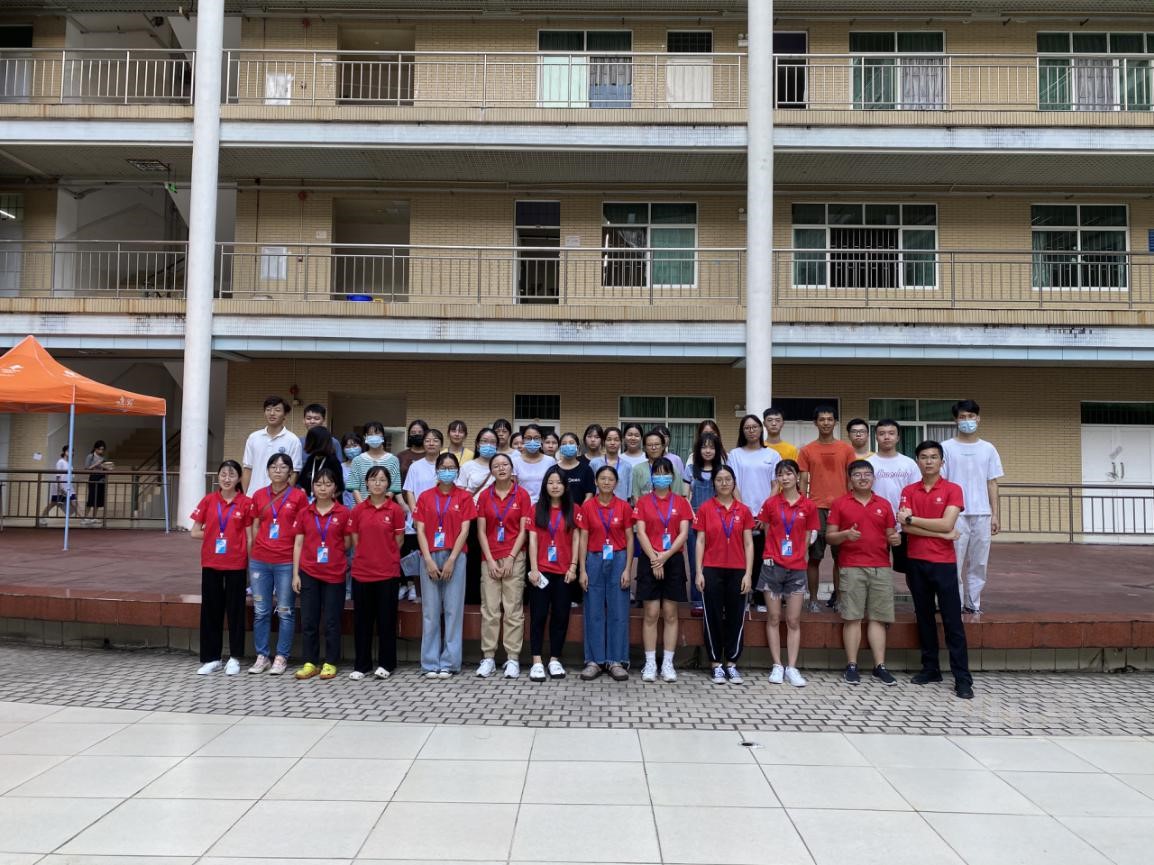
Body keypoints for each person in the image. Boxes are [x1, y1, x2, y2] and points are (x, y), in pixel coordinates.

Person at [897, 441, 973, 700]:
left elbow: (947, 523)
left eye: (933, 457)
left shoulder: (953, 489)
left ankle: (962, 678)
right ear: (917, 461)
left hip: (943, 563)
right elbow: (906, 528)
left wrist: (913, 519)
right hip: (916, 561)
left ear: (942, 461)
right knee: (924, 618)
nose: (928, 461)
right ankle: (931, 669)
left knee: (953, 621)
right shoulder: (909, 490)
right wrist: (941, 532)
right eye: (923, 457)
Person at [826, 460, 901, 686]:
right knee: (852, 617)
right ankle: (851, 665)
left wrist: (895, 539)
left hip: (881, 567)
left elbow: (891, 535)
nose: (863, 478)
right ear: (850, 479)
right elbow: (829, 537)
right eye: (857, 474)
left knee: (878, 617)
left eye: (867, 474)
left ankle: (880, 666)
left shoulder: (884, 504)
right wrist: (845, 535)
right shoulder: (840, 504)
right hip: (851, 567)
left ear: (873, 478)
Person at [757, 459, 819, 687]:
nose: (785, 478)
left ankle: (792, 667)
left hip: (797, 568)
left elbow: (808, 535)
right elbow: (766, 530)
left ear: (797, 476)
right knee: (773, 617)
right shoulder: (771, 503)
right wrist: (772, 554)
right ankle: (777, 665)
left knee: (793, 620)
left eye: (789, 473)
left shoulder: (808, 505)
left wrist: (802, 556)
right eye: (781, 474)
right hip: (772, 566)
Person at [414, 453, 477, 678]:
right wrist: (428, 559)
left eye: (451, 468)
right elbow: (420, 530)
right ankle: (430, 662)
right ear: (437, 471)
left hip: (456, 556)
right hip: (429, 556)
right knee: (430, 612)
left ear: (457, 471)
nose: (447, 471)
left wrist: (452, 560)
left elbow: (465, 530)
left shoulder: (464, 497)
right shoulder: (425, 497)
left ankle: (449, 662)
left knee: (453, 610)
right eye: (443, 467)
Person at [247, 452, 308, 676]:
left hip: (285, 561)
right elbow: (255, 525)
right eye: (273, 466)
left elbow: (302, 531)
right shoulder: (258, 495)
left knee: (285, 611)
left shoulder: (298, 496)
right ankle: (262, 656)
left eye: (283, 467)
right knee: (261, 611)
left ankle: (282, 657)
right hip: (260, 561)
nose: (278, 470)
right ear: (268, 470)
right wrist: (255, 551)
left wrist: (296, 566)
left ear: (290, 472)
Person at [633, 457, 693, 683]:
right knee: (650, 613)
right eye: (657, 473)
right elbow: (640, 532)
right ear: (651, 477)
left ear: (672, 476)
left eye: (665, 473)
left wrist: (665, 556)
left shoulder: (681, 502)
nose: (661, 477)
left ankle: (668, 663)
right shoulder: (643, 502)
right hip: (649, 559)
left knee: (670, 613)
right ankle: (650, 662)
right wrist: (654, 558)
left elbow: (683, 533)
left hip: (673, 560)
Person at [190, 460, 253, 676]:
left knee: (235, 611)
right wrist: (214, 534)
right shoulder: (208, 500)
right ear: (218, 477)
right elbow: (194, 531)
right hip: (211, 562)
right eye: (223, 474)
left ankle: (235, 657)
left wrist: (250, 561)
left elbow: (249, 536)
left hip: (236, 563)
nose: (227, 479)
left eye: (231, 475)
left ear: (239, 479)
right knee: (211, 611)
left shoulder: (246, 503)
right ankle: (212, 658)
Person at [942, 399, 1004, 614]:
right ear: (955, 420)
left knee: (979, 562)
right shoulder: (946, 448)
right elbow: (942, 483)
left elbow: (992, 482)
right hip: (955, 514)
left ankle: (973, 603)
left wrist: (995, 514)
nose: (967, 420)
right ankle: (955, 603)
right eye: (962, 417)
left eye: (971, 416)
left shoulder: (988, 448)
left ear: (978, 418)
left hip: (982, 513)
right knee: (954, 561)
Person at [693, 465, 754, 685]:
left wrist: (748, 574)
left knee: (736, 617)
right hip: (711, 568)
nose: (724, 483)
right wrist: (698, 571)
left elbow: (749, 543)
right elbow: (700, 541)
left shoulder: (743, 510)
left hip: (738, 570)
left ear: (734, 482)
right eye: (719, 480)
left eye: (728, 479)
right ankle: (716, 663)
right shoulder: (705, 508)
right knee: (713, 617)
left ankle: (732, 663)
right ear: (714, 484)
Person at [291, 468, 352, 681]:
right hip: (309, 572)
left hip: (334, 574)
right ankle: (310, 662)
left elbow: (347, 543)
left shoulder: (343, 513)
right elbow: (298, 544)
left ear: (335, 487)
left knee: (332, 620)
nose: (323, 488)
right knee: (309, 619)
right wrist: (296, 574)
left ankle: (331, 662)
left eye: (327, 484)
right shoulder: (304, 513)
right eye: (318, 484)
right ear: (312, 487)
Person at [576, 464, 635, 681]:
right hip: (594, 559)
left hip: (618, 559)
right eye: (603, 478)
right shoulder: (587, 507)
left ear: (616, 483)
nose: (607, 482)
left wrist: (628, 569)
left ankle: (616, 660)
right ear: (596, 482)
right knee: (594, 610)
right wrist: (582, 569)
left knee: (618, 611)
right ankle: (594, 660)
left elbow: (630, 539)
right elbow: (583, 539)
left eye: (611, 479)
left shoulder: (624, 507)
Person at [475, 453, 531, 679]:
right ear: (491, 471)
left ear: (511, 468)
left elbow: (524, 530)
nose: (501, 468)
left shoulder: (522, 494)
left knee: (512, 610)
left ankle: (512, 658)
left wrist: (511, 557)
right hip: (489, 557)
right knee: (490, 609)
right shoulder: (484, 496)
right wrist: (489, 559)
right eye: (496, 465)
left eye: (505, 465)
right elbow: (481, 531)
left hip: (514, 557)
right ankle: (488, 657)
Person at [349, 466, 406, 681]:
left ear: (388, 484)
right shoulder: (358, 510)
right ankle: (362, 665)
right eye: (373, 479)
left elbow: (399, 541)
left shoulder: (395, 510)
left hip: (387, 573)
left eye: (382, 480)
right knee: (362, 621)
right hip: (362, 573)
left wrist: (384, 555)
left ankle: (386, 663)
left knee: (386, 621)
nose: (377, 483)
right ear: (366, 483)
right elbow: (355, 540)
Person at [798, 405, 855, 612]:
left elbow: (852, 479)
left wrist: (851, 504)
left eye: (830, 419)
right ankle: (813, 600)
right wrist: (803, 506)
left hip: (842, 509)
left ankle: (839, 599)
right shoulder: (807, 450)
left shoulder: (846, 449)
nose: (826, 423)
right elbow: (803, 481)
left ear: (835, 422)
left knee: (841, 558)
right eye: (822, 419)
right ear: (815, 423)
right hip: (816, 509)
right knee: (814, 557)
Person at [347, 421, 411, 601]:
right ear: (365, 437)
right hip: (361, 512)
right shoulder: (358, 460)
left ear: (383, 436)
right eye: (370, 433)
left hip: (386, 510)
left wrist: (381, 504)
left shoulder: (392, 459)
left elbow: (394, 486)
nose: (374, 437)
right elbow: (354, 486)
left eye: (377, 433)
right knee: (360, 551)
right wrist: (365, 507)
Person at [526, 466, 579, 681]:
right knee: (538, 616)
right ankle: (537, 661)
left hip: (564, 572)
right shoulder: (536, 508)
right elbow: (532, 540)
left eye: (559, 482)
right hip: (541, 572)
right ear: (545, 485)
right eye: (550, 482)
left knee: (560, 616)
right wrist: (533, 569)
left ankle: (555, 659)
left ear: (565, 486)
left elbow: (576, 539)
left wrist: (573, 567)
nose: (555, 486)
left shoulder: (573, 509)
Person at [728, 414, 780, 593]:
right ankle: (743, 595)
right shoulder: (735, 454)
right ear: (742, 431)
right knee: (742, 555)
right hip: (741, 513)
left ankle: (760, 597)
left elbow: (776, 484)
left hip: (766, 516)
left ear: (761, 429)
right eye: (747, 428)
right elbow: (732, 484)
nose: (751, 431)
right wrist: (745, 512)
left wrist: (764, 513)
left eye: (754, 427)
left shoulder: (772, 455)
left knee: (764, 556)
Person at [868, 420, 920, 576]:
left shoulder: (909, 463)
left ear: (898, 437)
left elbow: (916, 493)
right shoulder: (868, 464)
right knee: (874, 568)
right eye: (882, 433)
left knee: (910, 570)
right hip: (875, 523)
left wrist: (910, 517)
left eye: (891, 433)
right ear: (876, 437)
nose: (886, 437)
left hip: (904, 523)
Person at [684, 432, 727, 616]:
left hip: (718, 522)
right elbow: (685, 497)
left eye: (711, 447)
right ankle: (697, 601)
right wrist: (693, 515)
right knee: (696, 562)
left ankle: (717, 600)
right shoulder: (690, 469)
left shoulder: (722, 469)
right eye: (704, 447)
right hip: (695, 522)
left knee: (717, 563)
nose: (707, 451)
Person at [242, 396, 303, 493]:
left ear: (285, 414)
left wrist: (284, 496)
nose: (272, 413)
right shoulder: (253, 437)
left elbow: (294, 472)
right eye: (268, 410)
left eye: (277, 410)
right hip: (253, 494)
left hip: (279, 497)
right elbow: (247, 468)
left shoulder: (293, 440)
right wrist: (245, 495)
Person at [630, 429, 687, 500]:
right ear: (644, 448)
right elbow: (635, 496)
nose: (653, 448)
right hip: (644, 506)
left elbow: (677, 495)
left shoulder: (671, 468)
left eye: (657, 444)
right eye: (649, 445)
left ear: (663, 446)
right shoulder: (637, 469)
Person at [297, 425, 345, 502]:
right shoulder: (311, 459)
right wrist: (302, 489)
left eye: (309, 439)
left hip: (328, 504)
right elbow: (301, 481)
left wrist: (323, 500)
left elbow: (340, 488)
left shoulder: (332, 461)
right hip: (309, 503)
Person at [512, 424, 556, 504]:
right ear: (523, 440)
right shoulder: (515, 462)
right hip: (522, 505)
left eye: (536, 438)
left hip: (544, 506)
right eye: (528, 438)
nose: (532, 441)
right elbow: (513, 488)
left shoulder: (550, 461)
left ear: (542, 440)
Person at [589, 426, 633, 500]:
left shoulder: (627, 466)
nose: (612, 443)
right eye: (609, 439)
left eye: (616, 440)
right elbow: (590, 489)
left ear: (621, 443)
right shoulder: (594, 463)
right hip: (598, 505)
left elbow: (629, 493)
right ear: (604, 442)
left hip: (621, 505)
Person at [41, 446, 79, 523]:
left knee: (74, 502)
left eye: (72, 451)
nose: (71, 452)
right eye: (69, 451)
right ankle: (42, 517)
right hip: (60, 487)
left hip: (68, 487)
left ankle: (84, 519)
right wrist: (60, 487)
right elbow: (58, 476)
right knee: (53, 503)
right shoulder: (60, 462)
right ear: (64, 452)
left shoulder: (69, 463)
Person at [555, 432, 595, 504]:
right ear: (560, 448)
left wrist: (580, 509)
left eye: (571, 443)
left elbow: (589, 494)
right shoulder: (554, 470)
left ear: (578, 447)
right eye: (564, 444)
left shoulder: (586, 469)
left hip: (581, 510)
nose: (567, 446)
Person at [458, 427, 498, 497]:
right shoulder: (467, 466)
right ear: (477, 444)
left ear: (497, 445)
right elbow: (460, 492)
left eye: (493, 442)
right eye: (484, 441)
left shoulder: (501, 466)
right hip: (473, 503)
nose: (488, 445)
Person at [83, 440, 111, 524]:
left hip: (101, 478)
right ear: (95, 448)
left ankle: (94, 517)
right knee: (91, 497)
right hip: (93, 477)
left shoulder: (103, 458)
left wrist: (107, 467)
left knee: (98, 498)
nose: (101, 451)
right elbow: (86, 468)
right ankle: (85, 517)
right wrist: (97, 464)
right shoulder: (90, 456)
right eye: (99, 449)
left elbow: (105, 468)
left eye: (102, 449)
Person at [339, 433, 364, 509]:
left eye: (355, 446)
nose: (352, 449)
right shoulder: (341, 467)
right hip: (347, 508)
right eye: (348, 447)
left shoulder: (368, 464)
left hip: (366, 507)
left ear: (361, 446)